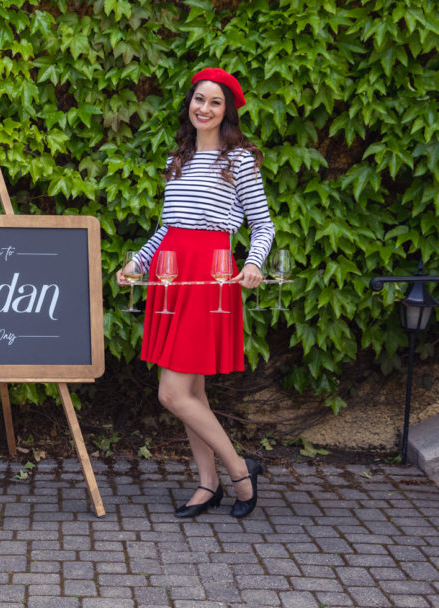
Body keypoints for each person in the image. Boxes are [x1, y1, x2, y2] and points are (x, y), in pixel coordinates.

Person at [117, 68, 274, 519]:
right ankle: (209, 485)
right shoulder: (178, 158)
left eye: (215, 102)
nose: (203, 108)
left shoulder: (239, 160)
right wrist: (137, 262)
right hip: (171, 277)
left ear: (227, 112)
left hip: (208, 278)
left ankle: (240, 470)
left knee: (173, 394)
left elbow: (262, 225)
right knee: (193, 394)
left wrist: (253, 263)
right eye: (198, 99)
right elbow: (168, 228)